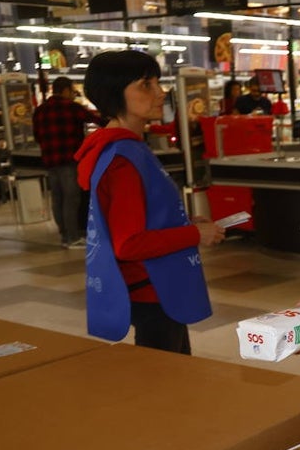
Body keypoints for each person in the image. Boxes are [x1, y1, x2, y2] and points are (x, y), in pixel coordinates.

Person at [76, 49, 225, 353]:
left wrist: (184, 224)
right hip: (153, 291)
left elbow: (142, 217)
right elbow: (128, 243)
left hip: (156, 287)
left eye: (158, 82)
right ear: (114, 94)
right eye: (146, 85)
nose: (160, 93)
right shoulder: (122, 161)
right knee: (164, 385)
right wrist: (195, 234)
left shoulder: (126, 149)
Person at [33, 76, 102, 248]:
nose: (73, 94)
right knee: (72, 199)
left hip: (50, 160)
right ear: (65, 90)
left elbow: (36, 136)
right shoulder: (72, 108)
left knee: (57, 198)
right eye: (71, 91)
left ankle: (64, 235)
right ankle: (73, 237)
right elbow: (97, 120)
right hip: (70, 159)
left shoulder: (40, 110)